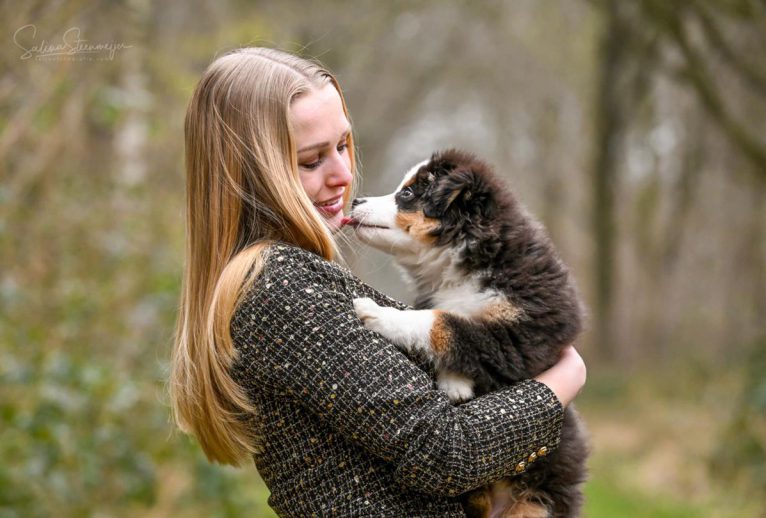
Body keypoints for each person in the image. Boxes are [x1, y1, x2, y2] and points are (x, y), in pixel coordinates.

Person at [169, 47, 587, 517]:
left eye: (343, 146)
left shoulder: (290, 279)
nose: (344, 175)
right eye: (311, 161)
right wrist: (560, 383)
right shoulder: (278, 289)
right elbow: (444, 452)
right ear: (250, 174)